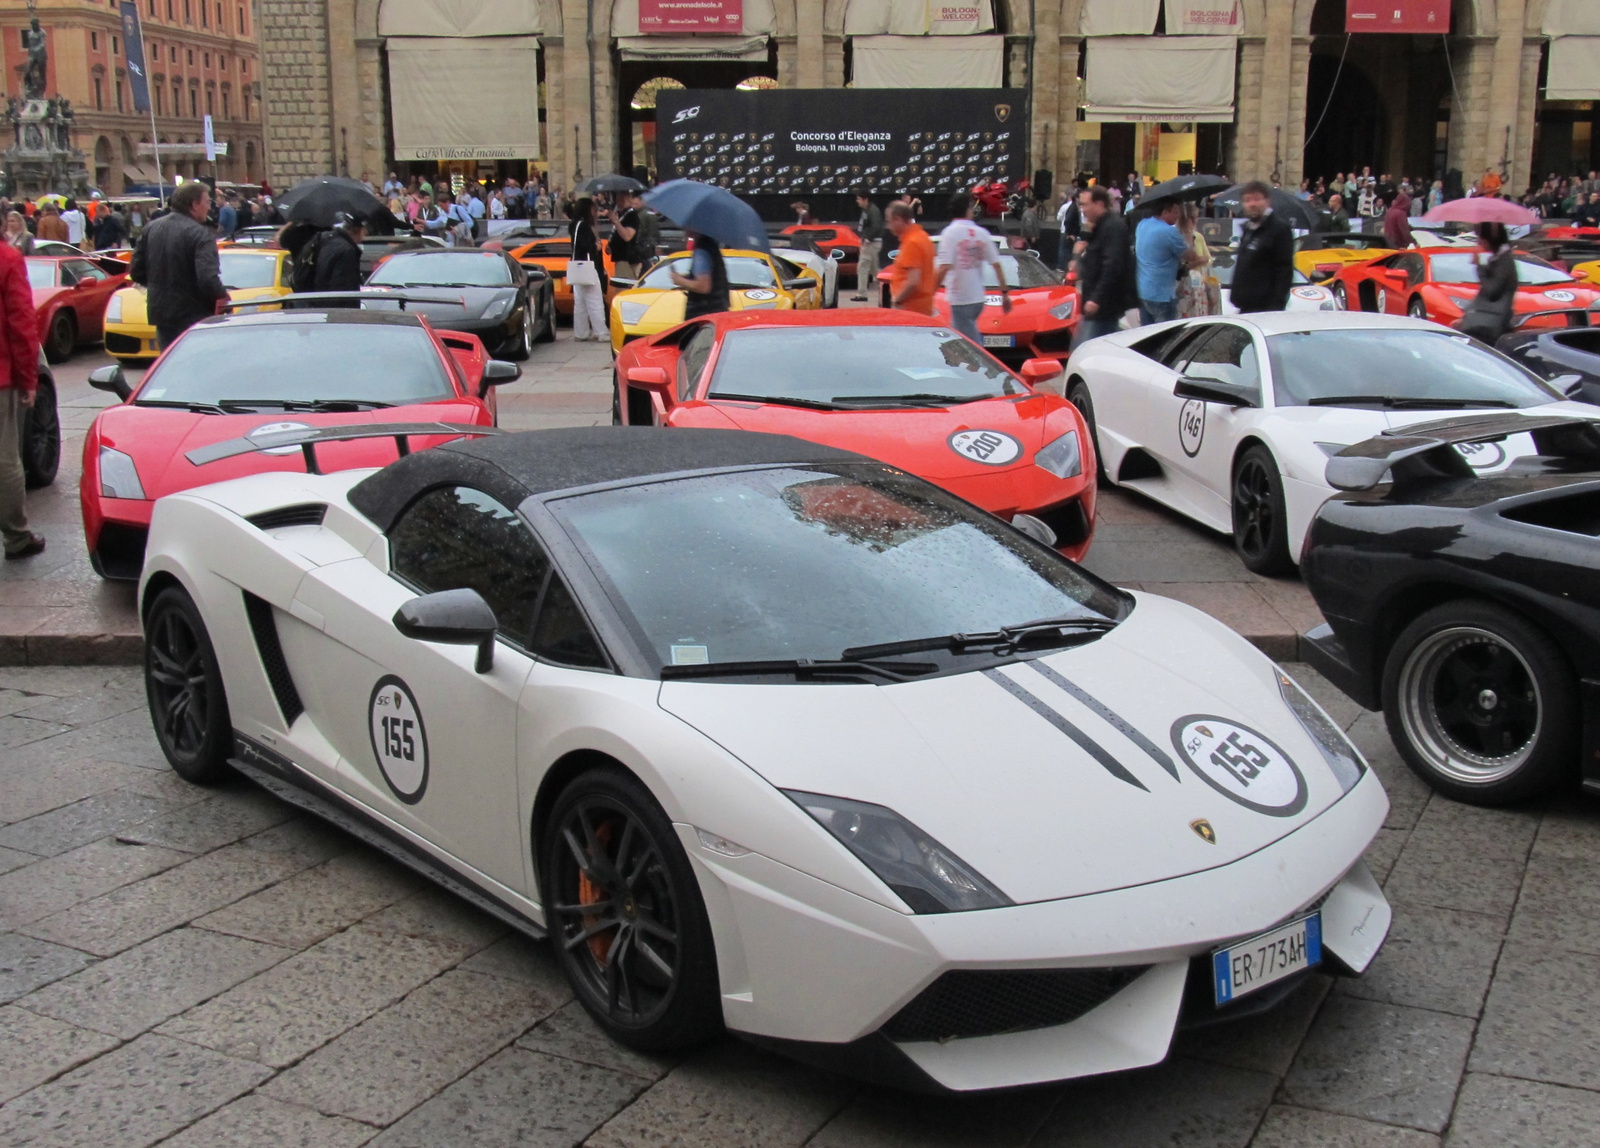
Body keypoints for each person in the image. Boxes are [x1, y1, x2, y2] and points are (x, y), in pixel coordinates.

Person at [128, 180, 228, 348]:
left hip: (162, 313)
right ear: (195, 205)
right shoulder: (200, 235)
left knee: (170, 365)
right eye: (207, 202)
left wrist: (160, 285)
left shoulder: (151, 228)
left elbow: (136, 271)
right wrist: (223, 297)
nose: (209, 207)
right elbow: (207, 278)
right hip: (193, 315)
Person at [0, 231, 44, 559]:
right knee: (5, 459)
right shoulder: (7, 259)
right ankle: (15, 536)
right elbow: (20, 322)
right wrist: (28, 377)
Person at [934, 191, 1008, 345]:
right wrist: (1005, 293)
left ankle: (983, 367)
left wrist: (931, 291)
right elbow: (997, 265)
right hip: (977, 298)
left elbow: (944, 267)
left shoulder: (950, 233)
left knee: (971, 346)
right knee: (957, 341)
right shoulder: (982, 233)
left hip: (961, 298)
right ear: (968, 210)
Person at [1074, 185, 1133, 343]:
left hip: (1104, 306)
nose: (1082, 209)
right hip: (1095, 305)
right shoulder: (1100, 226)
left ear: (1099, 204)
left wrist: (1096, 299)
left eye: (1085, 204)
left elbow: (1113, 265)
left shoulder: (1112, 226)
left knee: (1090, 349)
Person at [1230, 181, 1295, 313]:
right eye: (1247, 200)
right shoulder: (1248, 229)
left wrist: (1275, 307)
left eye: (1256, 199)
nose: (1252, 204)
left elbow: (1284, 271)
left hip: (1265, 310)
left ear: (1267, 201)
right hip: (1245, 307)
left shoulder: (1279, 229)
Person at [1135, 200, 1197, 326]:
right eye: (1175, 213)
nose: (1177, 216)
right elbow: (1190, 256)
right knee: (1164, 337)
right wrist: (1188, 231)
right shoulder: (1169, 232)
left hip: (1143, 291)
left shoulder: (1142, 224)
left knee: (1146, 334)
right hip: (1161, 294)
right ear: (1164, 212)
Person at [1455, 222, 1516, 345]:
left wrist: (1479, 267)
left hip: (1491, 327)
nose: (1479, 242)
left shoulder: (1504, 262)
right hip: (1487, 323)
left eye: (1481, 239)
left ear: (1489, 240)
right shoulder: (1498, 260)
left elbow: (1491, 291)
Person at [568, 197, 610, 341]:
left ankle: (581, 332)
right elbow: (586, 246)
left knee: (580, 303)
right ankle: (601, 331)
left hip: (577, 268)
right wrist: (596, 247)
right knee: (594, 300)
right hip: (588, 267)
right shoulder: (585, 226)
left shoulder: (574, 225)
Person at [885, 201, 934, 314]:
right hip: (923, 307)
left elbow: (913, 282)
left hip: (910, 309)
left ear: (898, 219)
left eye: (889, 221)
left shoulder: (912, 243)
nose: (888, 226)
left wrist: (897, 300)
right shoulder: (923, 237)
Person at [671, 229, 729, 320]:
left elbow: (703, 286)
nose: (684, 229)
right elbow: (710, 277)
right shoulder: (711, 246)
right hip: (717, 312)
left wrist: (680, 281)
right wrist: (688, 277)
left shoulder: (701, 251)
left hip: (702, 314)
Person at [1175, 203, 1217, 319]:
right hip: (1182, 286)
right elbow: (1183, 263)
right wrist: (1197, 260)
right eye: (1193, 217)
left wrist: (1202, 260)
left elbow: (1208, 259)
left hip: (1198, 283)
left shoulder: (1198, 237)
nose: (1195, 221)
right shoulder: (1175, 237)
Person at [310, 212, 366, 298]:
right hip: (335, 305)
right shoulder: (346, 250)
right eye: (364, 230)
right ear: (357, 230)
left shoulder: (326, 240)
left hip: (316, 298)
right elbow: (344, 286)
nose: (365, 234)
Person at [852, 188, 885, 302]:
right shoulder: (867, 210)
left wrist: (867, 238)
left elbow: (876, 226)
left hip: (871, 243)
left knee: (862, 267)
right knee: (875, 270)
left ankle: (861, 294)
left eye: (859, 199)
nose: (857, 201)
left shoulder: (872, 211)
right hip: (872, 242)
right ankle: (888, 289)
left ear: (865, 199)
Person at [604, 191, 643, 280]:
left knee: (623, 287)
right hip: (619, 257)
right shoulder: (623, 215)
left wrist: (616, 221)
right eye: (617, 199)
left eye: (620, 199)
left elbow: (627, 236)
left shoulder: (631, 216)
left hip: (626, 259)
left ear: (627, 200)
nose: (618, 202)